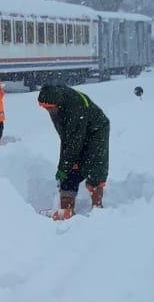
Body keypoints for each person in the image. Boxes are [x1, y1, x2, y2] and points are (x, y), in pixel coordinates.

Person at [38, 80, 110, 219]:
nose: (48, 110)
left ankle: (97, 207)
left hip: (97, 130)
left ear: (57, 104)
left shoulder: (74, 108)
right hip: (79, 132)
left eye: (50, 107)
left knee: (95, 166)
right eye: (44, 107)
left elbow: (73, 142)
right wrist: (64, 166)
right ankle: (66, 210)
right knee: (72, 170)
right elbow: (66, 139)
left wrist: (63, 168)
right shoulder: (56, 104)